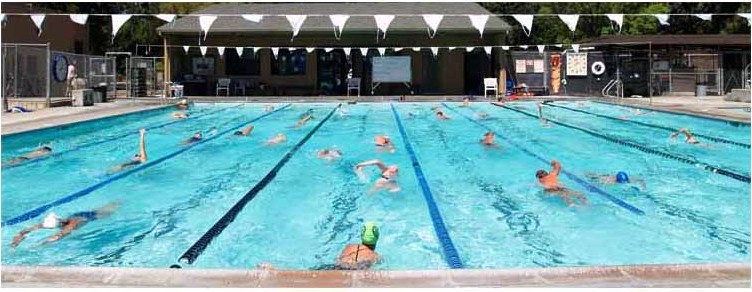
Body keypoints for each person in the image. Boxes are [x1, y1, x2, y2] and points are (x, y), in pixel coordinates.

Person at [10, 201, 121, 248]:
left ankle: (118, 203)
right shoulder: (55, 222)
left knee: (107, 211)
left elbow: (59, 236)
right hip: (78, 214)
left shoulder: (71, 226)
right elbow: (27, 230)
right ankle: (117, 202)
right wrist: (19, 237)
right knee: (101, 209)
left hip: (89, 218)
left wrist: (41, 244)